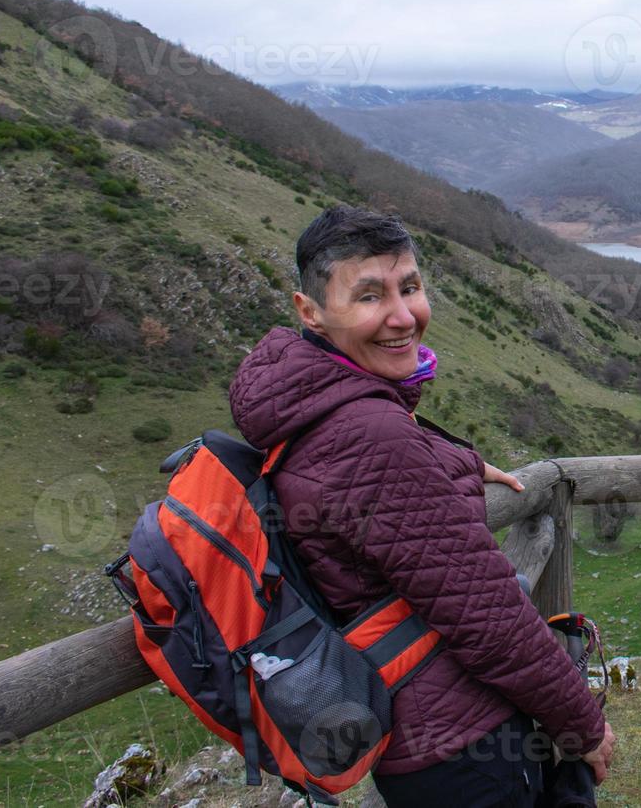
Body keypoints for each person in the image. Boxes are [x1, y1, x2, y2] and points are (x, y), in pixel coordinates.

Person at [228, 205, 613, 807]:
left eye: (409, 287)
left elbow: (373, 499)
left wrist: (452, 461)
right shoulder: (371, 436)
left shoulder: (311, 398)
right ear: (311, 312)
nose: (403, 316)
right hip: (463, 748)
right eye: (370, 296)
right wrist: (583, 726)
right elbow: (489, 620)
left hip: (423, 738)